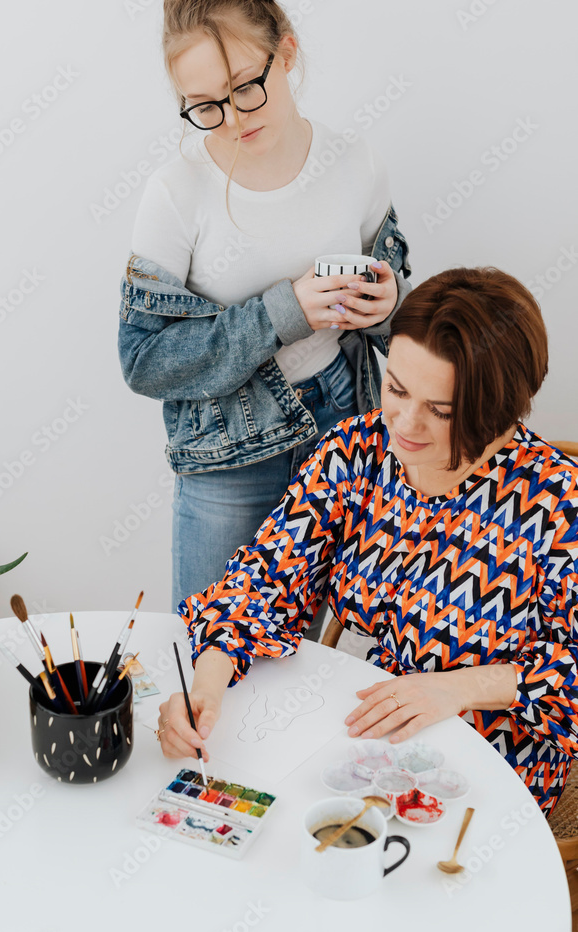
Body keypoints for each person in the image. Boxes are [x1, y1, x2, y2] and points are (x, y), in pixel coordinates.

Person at [156, 266, 578, 817]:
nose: (403, 422)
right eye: (397, 388)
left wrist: (458, 688)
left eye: (441, 410)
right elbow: (261, 579)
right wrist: (205, 686)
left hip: (485, 766)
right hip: (358, 736)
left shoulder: (558, 504)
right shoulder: (357, 453)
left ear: (499, 409)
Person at [118, 0, 411, 639]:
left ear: (287, 52)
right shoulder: (176, 191)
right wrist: (285, 312)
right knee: (209, 656)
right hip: (227, 453)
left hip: (341, 431)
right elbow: (142, 359)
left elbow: (405, 321)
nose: (230, 120)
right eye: (204, 106)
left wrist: (388, 310)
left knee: (298, 670)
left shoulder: (354, 162)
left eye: (246, 87)